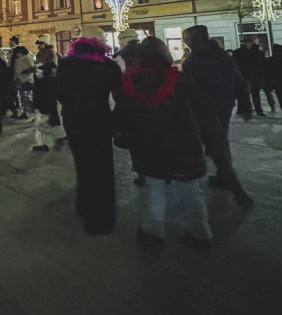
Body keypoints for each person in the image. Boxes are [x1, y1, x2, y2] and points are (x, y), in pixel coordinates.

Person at [114, 37, 213, 250]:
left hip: (150, 144)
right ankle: (200, 233)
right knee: (190, 188)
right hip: (184, 142)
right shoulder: (182, 80)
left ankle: (153, 231)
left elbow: (122, 115)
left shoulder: (132, 83)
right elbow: (200, 110)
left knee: (154, 187)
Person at [54, 26, 122, 235]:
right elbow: (120, 97)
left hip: (74, 120)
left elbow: (58, 92)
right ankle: (102, 218)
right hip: (100, 119)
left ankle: (84, 207)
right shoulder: (109, 66)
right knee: (102, 167)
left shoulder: (66, 64)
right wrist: (115, 122)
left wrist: (71, 105)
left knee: (82, 164)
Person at [180, 26, 254, 207]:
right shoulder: (223, 57)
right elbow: (240, 82)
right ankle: (224, 177)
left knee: (216, 146)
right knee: (220, 141)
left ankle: (237, 189)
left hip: (205, 110)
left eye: (186, 39)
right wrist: (245, 106)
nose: (185, 42)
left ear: (193, 40)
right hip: (224, 106)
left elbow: (190, 91)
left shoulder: (194, 61)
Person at [233, 38, 270, 116]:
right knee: (250, 94)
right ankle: (255, 110)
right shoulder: (257, 52)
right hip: (250, 75)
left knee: (249, 93)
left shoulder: (239, 52)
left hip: (249, 75)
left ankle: (250, 110)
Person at [11, 45, 35, 120]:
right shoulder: (21, 59)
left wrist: (24, 72)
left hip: (26, 80)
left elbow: (32, 68)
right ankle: (24, 112)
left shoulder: (27, 58)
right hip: (20, 80)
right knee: (22, 98)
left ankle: (29, 113)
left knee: (26, 97)